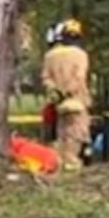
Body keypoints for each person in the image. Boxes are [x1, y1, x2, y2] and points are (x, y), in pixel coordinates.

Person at [40, 18, 92, 171]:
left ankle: (58, 160)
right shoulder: (81, 55)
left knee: (60, 132)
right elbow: (79, 77)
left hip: (58, 102)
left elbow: (45, 78)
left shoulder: (50, 56)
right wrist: (68, 91)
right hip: (77, 99)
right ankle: (71, 162)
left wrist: (56, 91)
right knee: (77, 132)